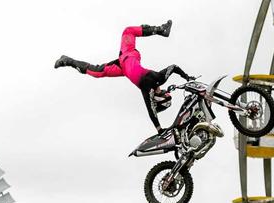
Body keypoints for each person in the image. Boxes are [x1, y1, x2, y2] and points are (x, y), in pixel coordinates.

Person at [54, 20, 194, 134]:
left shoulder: (150, 87)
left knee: (97, 71)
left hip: (124, 64)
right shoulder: (156, 82)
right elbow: (174, 68)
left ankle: (68, 61)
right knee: (127, 33)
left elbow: (152, 111)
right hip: (129, 57)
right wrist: (187, 78)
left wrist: (159, 130)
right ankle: (160, 30)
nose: (165, 90)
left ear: (160, 98)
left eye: (165, 93)